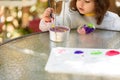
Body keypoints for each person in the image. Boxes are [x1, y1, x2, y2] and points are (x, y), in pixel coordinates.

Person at [39, 0, 120, 34]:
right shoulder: (71, 16)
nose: (80, 4)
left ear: (99, 3)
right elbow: (54, 28)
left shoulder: (111, 19)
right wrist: (48, 20)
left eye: (87, 1)